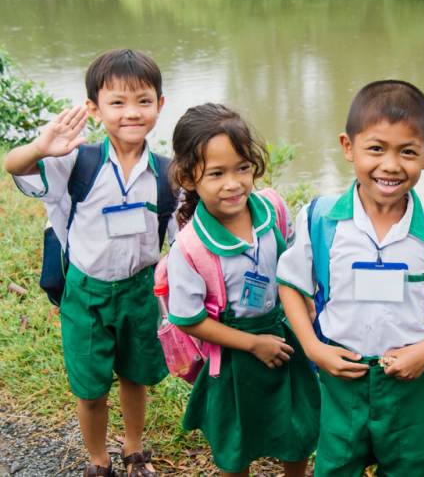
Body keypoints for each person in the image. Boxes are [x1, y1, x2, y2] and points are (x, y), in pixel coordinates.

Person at [277, 80, 424, 476]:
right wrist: (314, 348)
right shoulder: (321, 220)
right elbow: (291, 282)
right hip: (342, 377)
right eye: (376, 148)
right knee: (337, 464)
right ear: (347, 147)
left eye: (407, 152)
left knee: (418, 466)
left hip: (413, 381)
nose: (390, 165)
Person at [4, 48, 175, 477]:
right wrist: (39, 146)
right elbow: (14, 166)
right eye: (116, 103)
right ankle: (98, 460)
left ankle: (134, 449)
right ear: (95, 110)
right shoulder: (76, 161)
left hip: (139, 289)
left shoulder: (169, 174)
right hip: (86, 292)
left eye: (143, 101)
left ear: (159, 105)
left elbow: (185, 237)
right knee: (90, 385)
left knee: (135, 376)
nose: (131, 113)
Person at [165, 103, 320, 477]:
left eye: (242, 168)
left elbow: (291, 265)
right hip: (234, 354)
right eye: (216, 173)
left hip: (285, 336)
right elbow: (188, 318)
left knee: (297, 425)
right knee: (236, 439)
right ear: (188, 178)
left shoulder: (272, 209)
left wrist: (306, 301)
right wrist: (252, 344)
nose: (233, 183)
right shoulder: (190, 248)